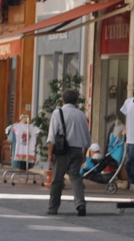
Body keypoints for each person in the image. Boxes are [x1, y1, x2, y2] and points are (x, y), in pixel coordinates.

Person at [46, 88, 92, 216]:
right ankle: (80, 204)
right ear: (76, 101)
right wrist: (84, 153)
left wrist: (50, 154)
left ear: (63, 99)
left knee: (57, 179)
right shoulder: (81, 114)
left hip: (62, 152)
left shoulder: (58, 113)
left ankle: (53, 207)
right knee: (76, 178)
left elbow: (52, 137)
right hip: (77, 150)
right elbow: (87, 138)